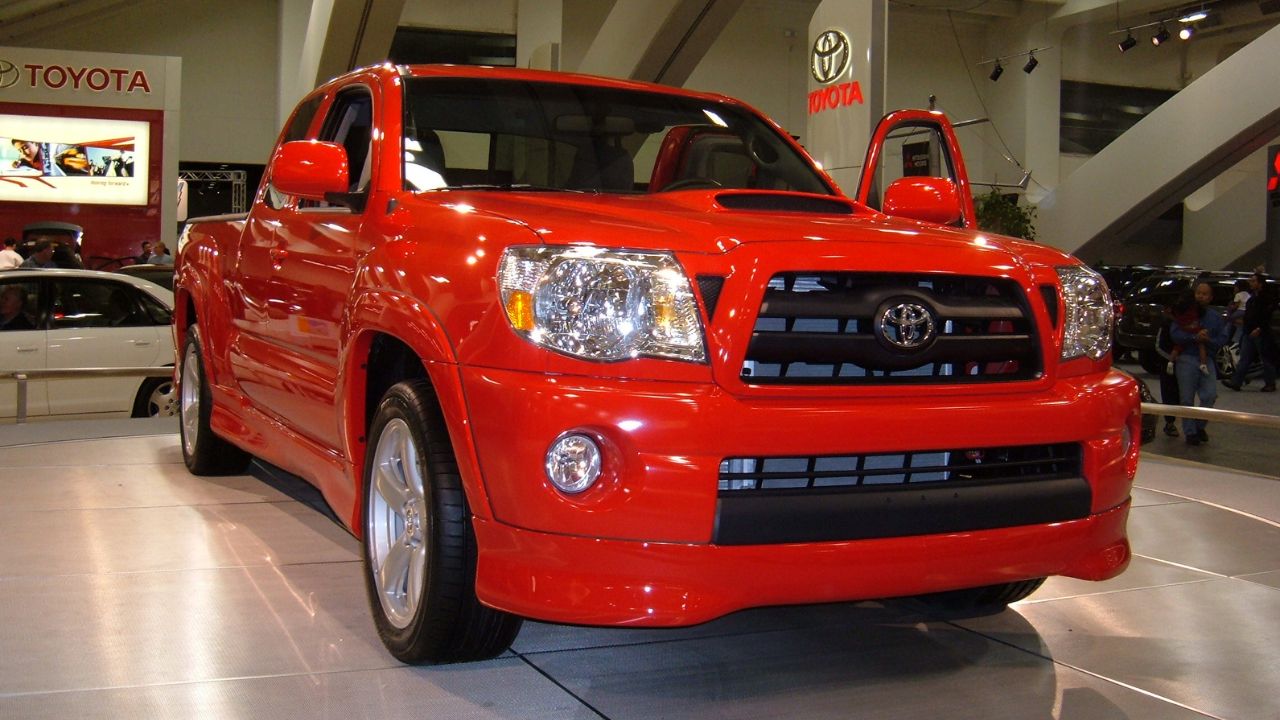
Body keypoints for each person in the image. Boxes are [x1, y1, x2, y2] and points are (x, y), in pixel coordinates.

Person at [1170, 282, 1231, 445]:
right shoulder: (1184, 311)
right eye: (1198, 293)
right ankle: (1190, 433)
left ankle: (1199, 426)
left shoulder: (1215, 317)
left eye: (1205, 294)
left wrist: (1208, 340)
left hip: (1207, 359)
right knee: (1186, 399)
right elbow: (1175, 334)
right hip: (1186, 358)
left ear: (1210, 297)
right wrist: (1193, 337)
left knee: (1210, 395)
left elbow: (1222, 338)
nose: (1201, 296)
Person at [1224, 272, 1277, 393]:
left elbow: (1267, 316)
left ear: (1260, 283)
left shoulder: (1266, 299)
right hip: (1248, 331)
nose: (1251, 283)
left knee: (1266, 358)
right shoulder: (1251, 299)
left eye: (1253, 281)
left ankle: (1270, 383)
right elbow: (1248, 314)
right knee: (1244, 358)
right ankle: (1236, 382)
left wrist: (1259, 328)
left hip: (1261, 333)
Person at [1167, 294, 1210, 377]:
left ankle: (1170, 361)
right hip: (1194, 329)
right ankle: (1203, 364)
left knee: (1178, 346)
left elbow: (1175, 317)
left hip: (1183, 328)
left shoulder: (1180, 310)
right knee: (1201, 345)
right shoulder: (1194, 309)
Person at [1228, 278, 1250, 344]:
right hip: (1246, 312)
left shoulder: (1238, 295)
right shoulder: (1248, 294)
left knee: (1229, 318)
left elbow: (1236, 306)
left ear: (1239, 287)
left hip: (1239, 311)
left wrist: (1231, 307)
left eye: (1235, 287)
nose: (1234, 288)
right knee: (1239, 327)